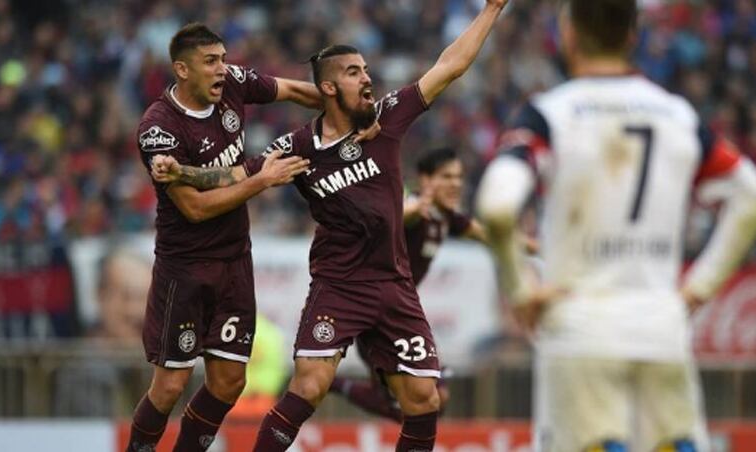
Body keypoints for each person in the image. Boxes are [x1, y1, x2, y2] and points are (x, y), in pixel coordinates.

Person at [151, 1, 509, 449]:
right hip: (338, 283)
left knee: (423, 398)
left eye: (365, 70)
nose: (368, 78)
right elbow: (235, 174)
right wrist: (182, 172)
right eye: (355, 72)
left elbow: (449, 66)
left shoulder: (386, 118)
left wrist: (492, 8)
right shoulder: (299, 147)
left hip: (393, 283)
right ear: (329, 87)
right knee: (310, 385)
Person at [475, 1, 756, 451]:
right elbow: (755, 199)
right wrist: (698, 288)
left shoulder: (549, 115)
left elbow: (497, 207)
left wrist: (519, 289)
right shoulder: (679, 116)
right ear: (633, 36)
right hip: (660, 326)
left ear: (568, 34)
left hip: (579, 329)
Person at [127, 22, 323, 452]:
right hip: (186, 267)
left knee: (231, 380)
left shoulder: (232, 82)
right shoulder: (158, 129)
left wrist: (340, 105)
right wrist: (262, 179)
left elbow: (293, 90)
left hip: (235, 260)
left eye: (223, 58)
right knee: (170, 384)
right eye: (210, 62)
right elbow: (194, 208)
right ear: (182, 69)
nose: (222, 69)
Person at [328, 147, 537, 422]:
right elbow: (389, 220)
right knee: (421, 404)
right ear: (425, 181)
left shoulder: (444, 216)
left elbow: (486, 234)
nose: (456, 184)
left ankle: (337, 385)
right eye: (446, 177)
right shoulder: (414, 210)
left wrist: (534, 247)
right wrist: (411, 210)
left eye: (459, 177)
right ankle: (335, 384)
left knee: (431, 401)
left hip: (398, 318)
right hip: (376, 320)